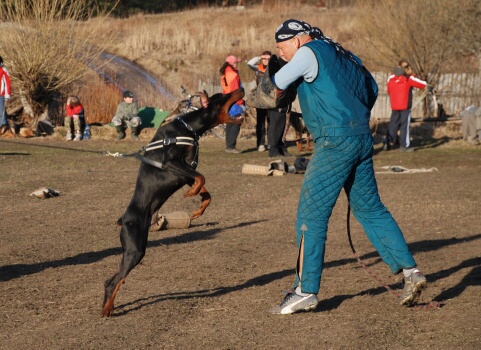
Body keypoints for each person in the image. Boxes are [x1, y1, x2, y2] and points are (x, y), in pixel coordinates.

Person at [265, 19, 427, 314]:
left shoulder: (307, 52)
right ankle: (410, 272)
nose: (280, 52)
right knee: (371, 209)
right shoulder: (345, 54)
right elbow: (372, 89)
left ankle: (305, 290)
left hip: (334, 140)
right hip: (361, 137)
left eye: (282, 46)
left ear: (298, 39)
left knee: (310, 214)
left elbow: (276, 86)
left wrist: (272, 83)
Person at [384, 61, 427, 152]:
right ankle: (404, 145)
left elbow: (388, 90)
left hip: (394, 105)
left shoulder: (391, 78)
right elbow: (423, 84)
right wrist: (414, 75)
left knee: (393, 124)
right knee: (405, 126)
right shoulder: (408, 79)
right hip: (405, 106)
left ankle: (387, 142)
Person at [220, 55, 246, 153]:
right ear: (231, 63)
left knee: (229, 123)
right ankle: (231, 147)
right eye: (236, 62)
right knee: (236, 122)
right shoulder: (233, 74)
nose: (237, 63)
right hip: (234, 102)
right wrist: (240, 103)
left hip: (226, 101)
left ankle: (228, 146)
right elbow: (236, 91)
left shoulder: (225, 73)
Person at [248, 51, 272, 152]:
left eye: (268, 59)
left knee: (271, 122)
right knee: (260, 123)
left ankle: (271, 143)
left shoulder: (274, 68)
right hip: (260, 99)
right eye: (264, 59)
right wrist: (259, 56)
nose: (266, 60)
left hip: (271, 99)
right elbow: (249, 64)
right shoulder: (258, 68)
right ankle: (261, 144)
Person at [0, 56, 11, 131]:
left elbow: (7, 83)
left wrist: (7, 95)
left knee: (1, 112)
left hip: (1, 94)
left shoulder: (3, 70)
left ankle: (3, 126)